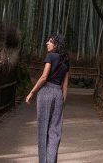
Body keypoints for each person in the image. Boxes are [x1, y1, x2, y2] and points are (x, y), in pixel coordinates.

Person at [25, 33, 70, 163]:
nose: (47, 43)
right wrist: (62, 101)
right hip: (58, 94)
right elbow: (65, 84)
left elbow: (44, 77)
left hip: (46, 93)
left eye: (49, 42)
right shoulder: (66, 60)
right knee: (55, 132)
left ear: (56, 45)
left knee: (43, 129)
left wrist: (32, 93)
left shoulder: (50, 56)